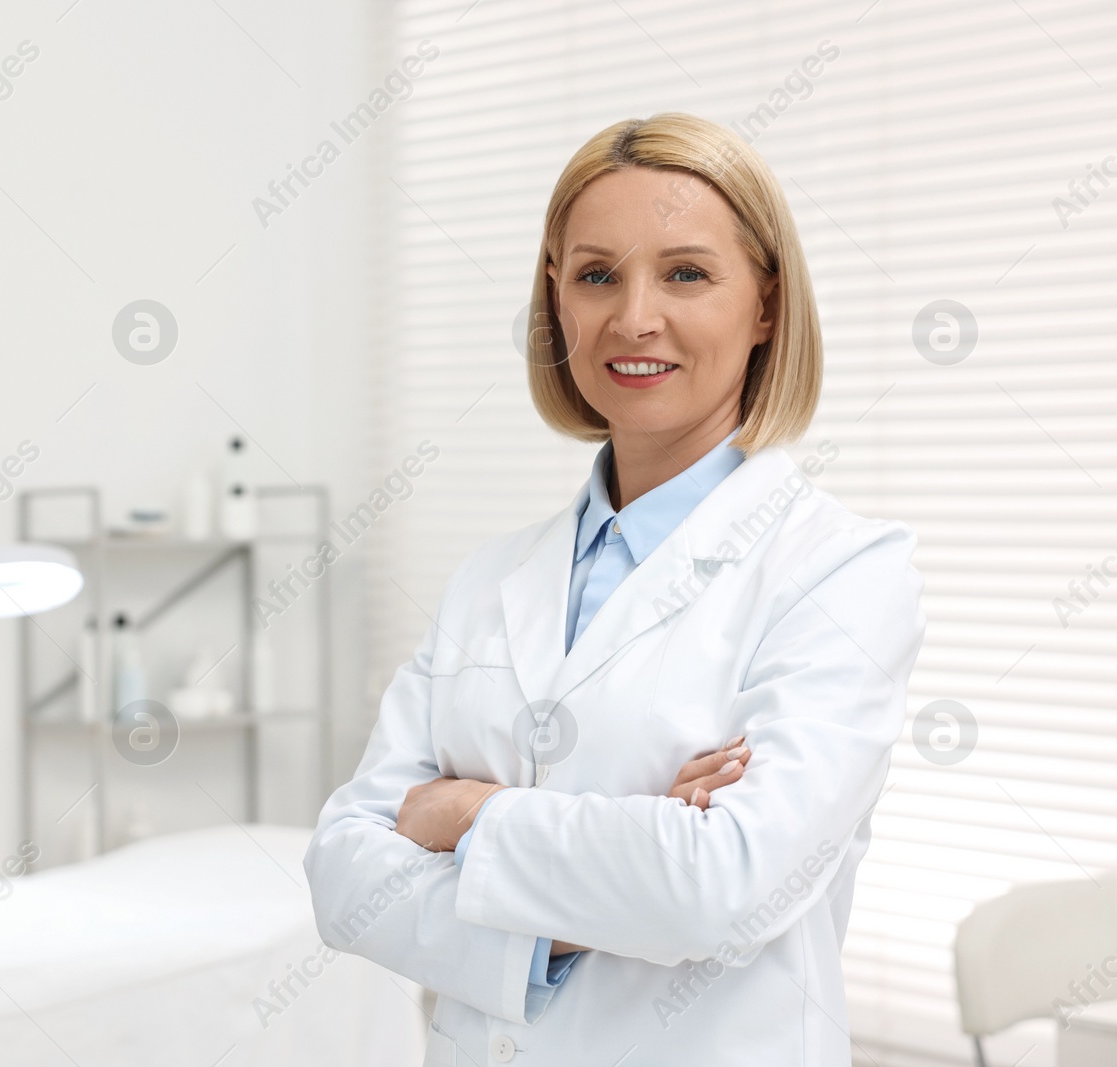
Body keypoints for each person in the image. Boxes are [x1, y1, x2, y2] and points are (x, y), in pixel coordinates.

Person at [303, 112, 926, 1065]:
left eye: (686, 272)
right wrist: (601, 891)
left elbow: (727, 887)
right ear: (556, 298)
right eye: (597, 274)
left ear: (765, 303)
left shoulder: (840, 569)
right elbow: (345, 876)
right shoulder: (490, 579)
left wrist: (464, 814)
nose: (634, 317)